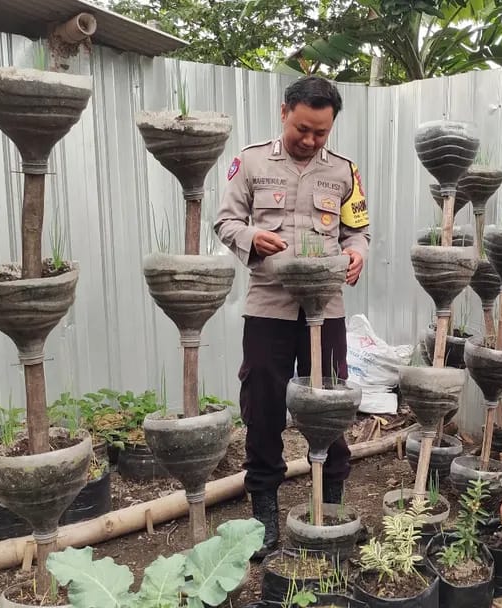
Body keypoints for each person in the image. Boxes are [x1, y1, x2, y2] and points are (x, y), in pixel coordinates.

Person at [213, 75, 370, 558]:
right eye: (302, 128)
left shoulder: (344, 171)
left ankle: (332, 505)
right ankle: (265, 513)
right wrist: (251, 238)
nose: (310, 140)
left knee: (330, 401)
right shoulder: (252, 162)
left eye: (320, 132)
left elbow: (357, 230)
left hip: (327, 307)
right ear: (285, 113)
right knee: (263, 404)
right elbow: (224, 220)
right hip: (270, 305)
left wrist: (357, 252)